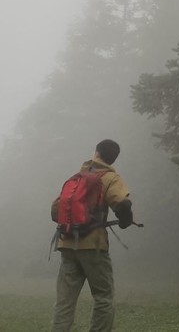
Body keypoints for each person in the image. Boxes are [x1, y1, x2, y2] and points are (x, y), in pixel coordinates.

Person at [51, 138, 134, 332]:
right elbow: (121, 204)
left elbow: (55, 210)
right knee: (103, 297)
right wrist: (125, 221)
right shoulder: (111, 178)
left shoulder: (76, 177)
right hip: (93, 247)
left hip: (67, 244)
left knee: (65, 302)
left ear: (96, 153)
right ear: (113, 159)